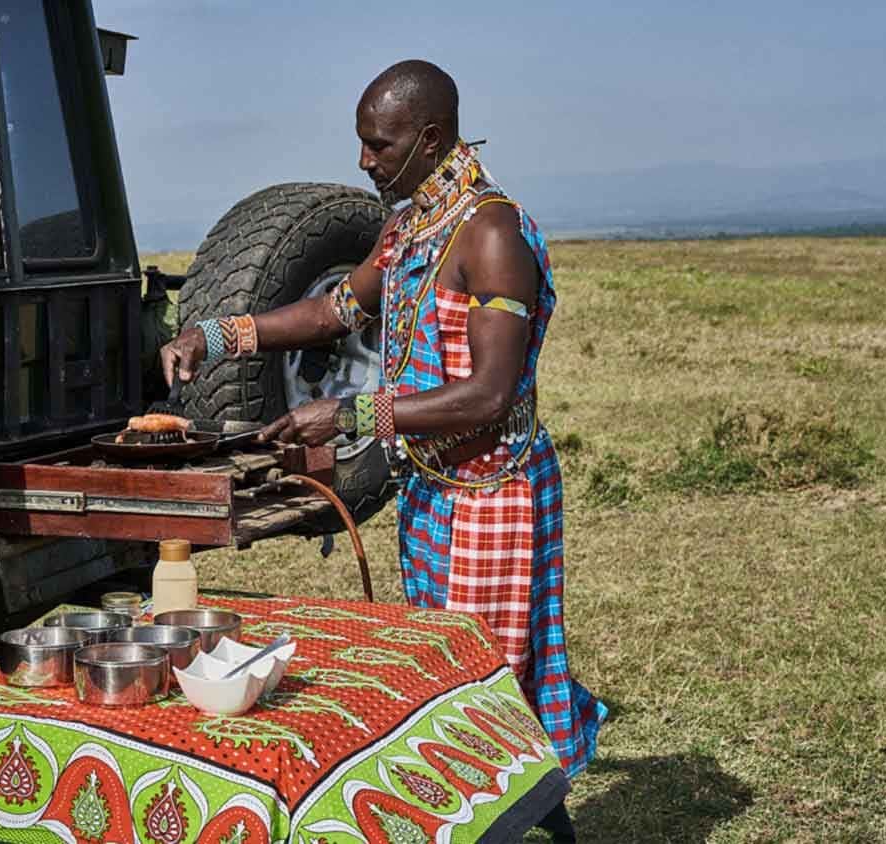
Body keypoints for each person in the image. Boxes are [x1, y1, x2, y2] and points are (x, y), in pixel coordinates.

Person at [160, 59, 606, 779]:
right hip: (431, 490)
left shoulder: (490, 234)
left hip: (492, 501)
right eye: (363, 142)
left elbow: (489, 395)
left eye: (381, 145)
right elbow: (336, 310)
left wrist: (347, 414)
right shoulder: (412, 225)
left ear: (430, 140)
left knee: (488, 694)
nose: (364, 161)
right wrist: (212, 336)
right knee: (450, 678)